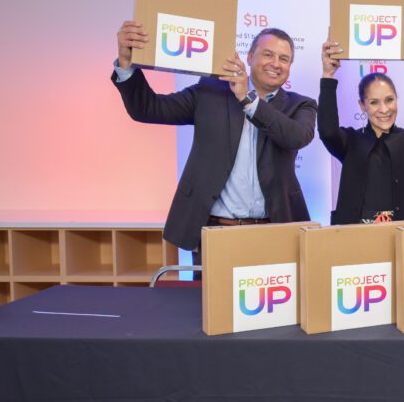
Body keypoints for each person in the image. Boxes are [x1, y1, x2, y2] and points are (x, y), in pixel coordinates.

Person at [112, 22, 316, 255]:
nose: (275, 64)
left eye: (284, 58)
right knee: (206, 293)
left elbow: (297, 137)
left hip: (274, 233)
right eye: (268, 54)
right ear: (249, 57)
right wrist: (126, 65)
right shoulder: (210, 92)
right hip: (213, 232)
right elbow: (147, 109)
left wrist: (247, 100)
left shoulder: (301, 104)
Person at [318, 28, 404, 225]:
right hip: (356, 241)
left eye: (389, 100)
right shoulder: (351, 141)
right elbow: (327, 131)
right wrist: (328, 75)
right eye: (374, 102)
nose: (384, 109)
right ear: (362, 106)